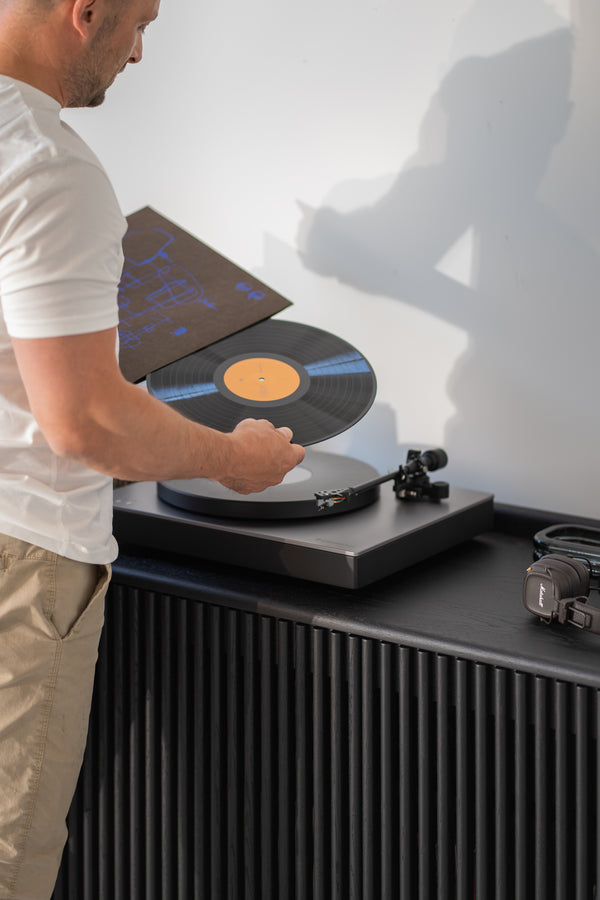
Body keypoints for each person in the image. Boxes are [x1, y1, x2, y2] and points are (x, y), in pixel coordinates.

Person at [0, 0, 305, 896]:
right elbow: (86, 425)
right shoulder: (47, 167)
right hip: (23, 562)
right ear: (84, 13)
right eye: (138, 25)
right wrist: (231, 458)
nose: (138, 53)